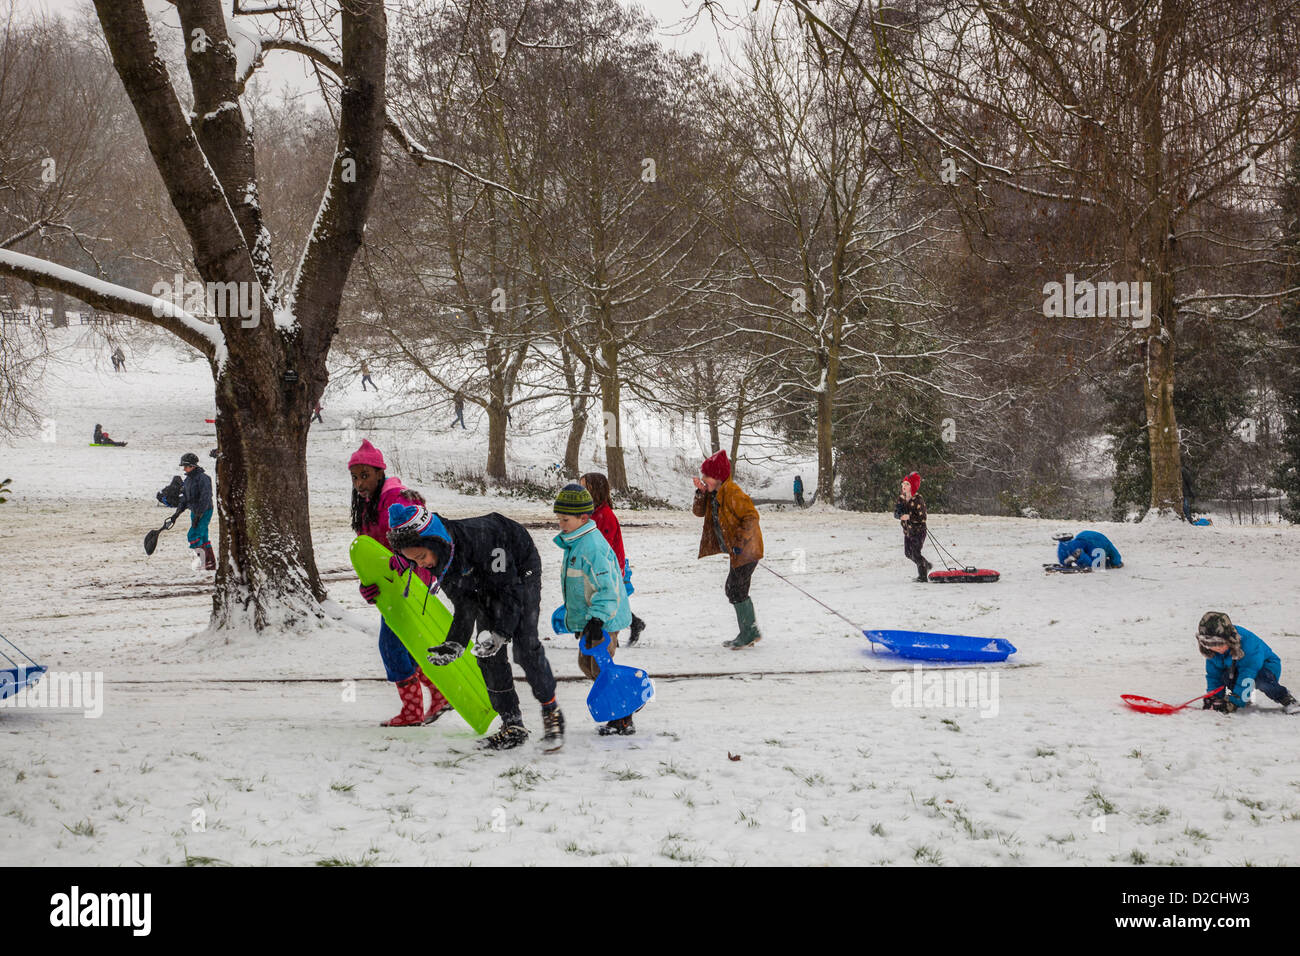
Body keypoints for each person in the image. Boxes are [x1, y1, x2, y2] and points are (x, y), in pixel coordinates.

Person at [387, 501, 564, 752]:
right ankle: (512, 725)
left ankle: (551, 711)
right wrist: (455, 642)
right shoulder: (442, 560)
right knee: (487, 654)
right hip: (483, 577)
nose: (421, 565)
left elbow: (509, 591)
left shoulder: (482, 539)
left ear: (434, 542)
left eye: (421, 557)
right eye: (413, 561)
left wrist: (501, 633)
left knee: (525, 646)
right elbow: (465, 603)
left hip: (518, 568)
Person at [349, 440, 450, 727]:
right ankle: (438, 695)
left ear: (380, 472)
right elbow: (373, 552)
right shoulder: (370, 503)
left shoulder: (395, 497)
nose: (359, 483)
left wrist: (405, 568)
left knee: (391, 647)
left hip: (409, 583)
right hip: (395, 585)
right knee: (404, 645)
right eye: (355, 477)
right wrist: (369, 584)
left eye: (365, 475)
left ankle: (413, 711)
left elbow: (419, 533)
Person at [553, 483, 636, 734]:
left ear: (584, 517)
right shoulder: (576, 543)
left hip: (605, 619)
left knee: (602, 667)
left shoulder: (593, 547)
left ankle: (623, 717)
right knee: (587, 665)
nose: (560, 524)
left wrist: (597, 621)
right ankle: (619, 700)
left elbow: (608, 589)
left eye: (565, 519)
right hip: (591, 619)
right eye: (559, 518)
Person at [691, 450, 764, 648]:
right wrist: (701, 493)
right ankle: (750, 631)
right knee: (734, 589)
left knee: (735, 589)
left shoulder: (732, 492)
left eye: (707, 476)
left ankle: (750, 632)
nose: (704, 478)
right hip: (738, 552)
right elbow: (698, 512)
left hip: (747, 550)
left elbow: (751, 517)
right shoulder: (715, 493)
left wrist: (740, 543)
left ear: (718, 477)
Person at [580, 472, 646, 645]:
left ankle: (609, 639)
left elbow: (603, 548)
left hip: (609, 568)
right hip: (597, 567)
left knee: (607, 602)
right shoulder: (591, 514)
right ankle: (629, 626)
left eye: (585, 488)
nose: (581, 492)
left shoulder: (605, 516)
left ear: (596, 491)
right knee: (606, 602)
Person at [1196, 611, 1300, 715]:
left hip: (1265, 667)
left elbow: (1247, 676)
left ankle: (1287, 699)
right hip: (1235, 668)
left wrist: (1234, 702)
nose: (1217, 648)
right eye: (1211, 645)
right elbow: (1213, 675)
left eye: (1219, 644)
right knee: (1224, 677)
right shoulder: (1212, 651)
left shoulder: (1248, 645)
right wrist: (1214, 696)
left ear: (1229, 639)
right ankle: (1241, 697)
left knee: (1261, 680)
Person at [180, 452, 215, 571]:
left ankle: (204, 561)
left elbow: (206, 497)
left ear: (193, 466)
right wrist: (176, 513)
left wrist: (199, 514)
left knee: (193, 535)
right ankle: (210, 563)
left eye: (186, 466)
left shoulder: (204, 479)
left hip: (205, 511)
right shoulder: (188, 480)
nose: (184, 469)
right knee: (203, 536)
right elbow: (185, 498)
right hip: (194, 511)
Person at [894, 472, 932, 582]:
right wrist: (900, 516)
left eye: (907, 484)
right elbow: (896, 513)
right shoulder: (901, 499)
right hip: (907, 532)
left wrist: (909, 517)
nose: (903, 486)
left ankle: (922, 576)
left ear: (913, 487)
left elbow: (923, 518)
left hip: (919, 531)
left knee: (916, 553)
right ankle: (926, 564)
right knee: (908, 553)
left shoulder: (918, 500)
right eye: (903, 484)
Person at [1055, 530, 1122, 569]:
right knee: (1095, 564)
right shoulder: (1109, 547)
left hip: (1082, 536)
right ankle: (1079, 554)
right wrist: (1116, 563)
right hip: (1097, 543)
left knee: (1074, 546)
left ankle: (1064, 545)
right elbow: (1116, 557)